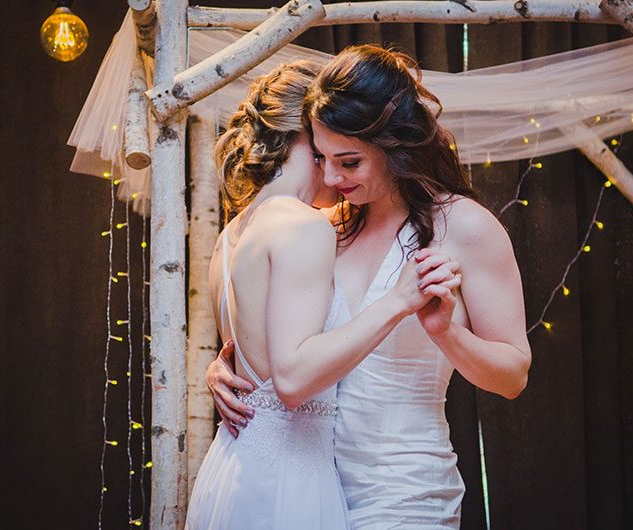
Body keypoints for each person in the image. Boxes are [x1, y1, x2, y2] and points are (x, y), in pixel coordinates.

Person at [207, 45, 532, 529]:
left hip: (405, 492)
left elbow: (513, 375)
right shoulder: (324, 228)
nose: (332, 177)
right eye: (321, 158)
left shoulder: (465, 227)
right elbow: (293, 348)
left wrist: (448, 334)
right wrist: (233, 370)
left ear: (394, 146)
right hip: (312, 492)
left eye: (350, 162)